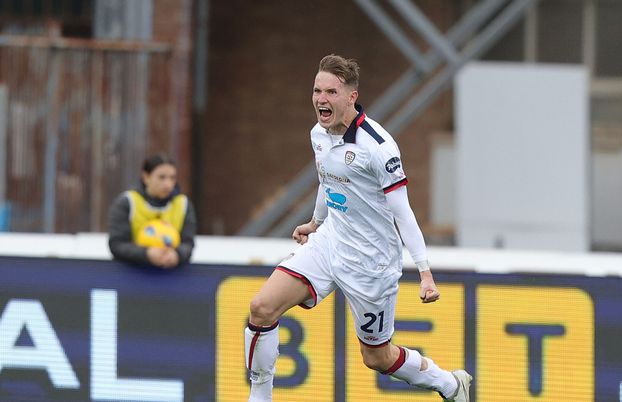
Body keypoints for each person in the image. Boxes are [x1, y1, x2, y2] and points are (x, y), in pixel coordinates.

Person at [245, 54, 472, 401]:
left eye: (331, 92)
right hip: (330, 243)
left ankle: (450, 385)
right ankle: (260, 397)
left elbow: (404, 214)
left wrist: (425, 272)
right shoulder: (318, 134)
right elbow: (329, 180)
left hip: (371, 264)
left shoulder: (378, 147)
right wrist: (315, 223)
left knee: (377, 357)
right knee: (261, 308)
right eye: (317, 90)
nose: (322, 99)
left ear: (351, 96)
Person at [107, 153, 196, 269]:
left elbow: (188, 244)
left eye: (172, 178)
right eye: (161, 177)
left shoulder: (183, 204)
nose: (168, 184)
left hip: (172, 276)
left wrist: (177, 255)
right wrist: (146, 254)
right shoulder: (128, 202)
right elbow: (117, 244)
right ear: (146, 177)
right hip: (132, 274)